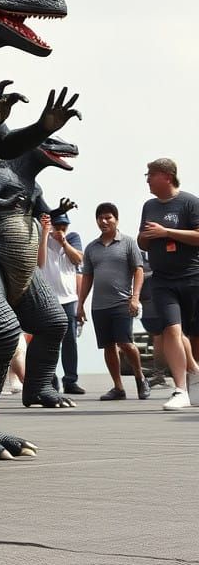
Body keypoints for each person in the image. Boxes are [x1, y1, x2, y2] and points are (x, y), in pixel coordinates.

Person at [137, 158, 199, 411]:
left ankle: (194, 372)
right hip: (163, 280)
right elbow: (143, 242)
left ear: (166, 175)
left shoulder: (189, 202)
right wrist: (145, 237)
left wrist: (167, 233)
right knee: (172, 329)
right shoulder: (149, 206)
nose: (147, 179)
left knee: (194, 334)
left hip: (192, 277)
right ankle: (181, 389)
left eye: (150, 174)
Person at [78, 203, 149, 400]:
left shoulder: (127, 243)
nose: (104, 221)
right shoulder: (92, 248)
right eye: (100, 218)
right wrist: (80, 304)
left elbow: (139, 270)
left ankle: (140, 377)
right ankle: (118, 387)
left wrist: (135, 298)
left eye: (108, 217)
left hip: (122, 303)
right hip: (99, 305)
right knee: (108, 346)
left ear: (116, 219)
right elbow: (87, 277)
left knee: (125, 343)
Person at [37, 210, 84, 394]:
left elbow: (78, 259)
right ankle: (50, 380)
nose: (61, 230)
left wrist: (63, 241)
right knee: (49, 341)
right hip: (48, 298)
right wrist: (45, 234)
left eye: (64, 227)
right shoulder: (43, 240)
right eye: (58, 227)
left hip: (68, 298)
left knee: (70, 341)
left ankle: (71, 380)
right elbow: (40, 263)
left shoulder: (72, 238)